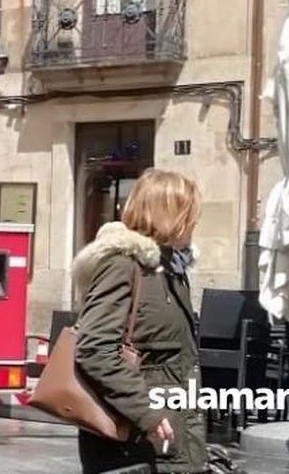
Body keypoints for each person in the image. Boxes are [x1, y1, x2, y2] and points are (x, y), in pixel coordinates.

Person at [71, 168, 206, 474]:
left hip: (169, 441)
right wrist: (148, 412)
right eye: (189, 214)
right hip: (133, 443)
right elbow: (94, 350)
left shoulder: (170, 270)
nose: (194, 223)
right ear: (168, 215)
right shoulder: (122, 265)